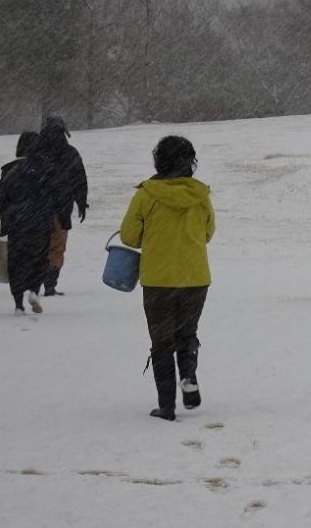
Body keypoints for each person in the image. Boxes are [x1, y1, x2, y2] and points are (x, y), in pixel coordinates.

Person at [120, 136, 215, 421]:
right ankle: (188, 376)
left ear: (159, 159)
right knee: (187, 334)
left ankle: (166, 406)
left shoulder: (146, 195)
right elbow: (208, 233)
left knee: (161, 341)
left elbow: (129, 236)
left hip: (158, 279)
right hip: (195, 277)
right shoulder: (200, 195)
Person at [0, 131, 64, 314]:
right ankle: (34, 290)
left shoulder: (9, 170)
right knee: (39, 260)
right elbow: (59, 195)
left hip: (17, 225)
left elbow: (2, 198)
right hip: (40, 223)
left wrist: (5, 219)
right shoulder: (47, 169)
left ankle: (18, 302)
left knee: (16, 263)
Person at [37, 115, 89, 297]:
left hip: (35, 209)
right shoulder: (70, 153)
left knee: (38, 245)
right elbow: (79, 180)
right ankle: (50, 284)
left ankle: (35, 282)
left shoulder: (36, 152)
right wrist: (81, 202)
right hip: (60, 209)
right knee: (57, 246)